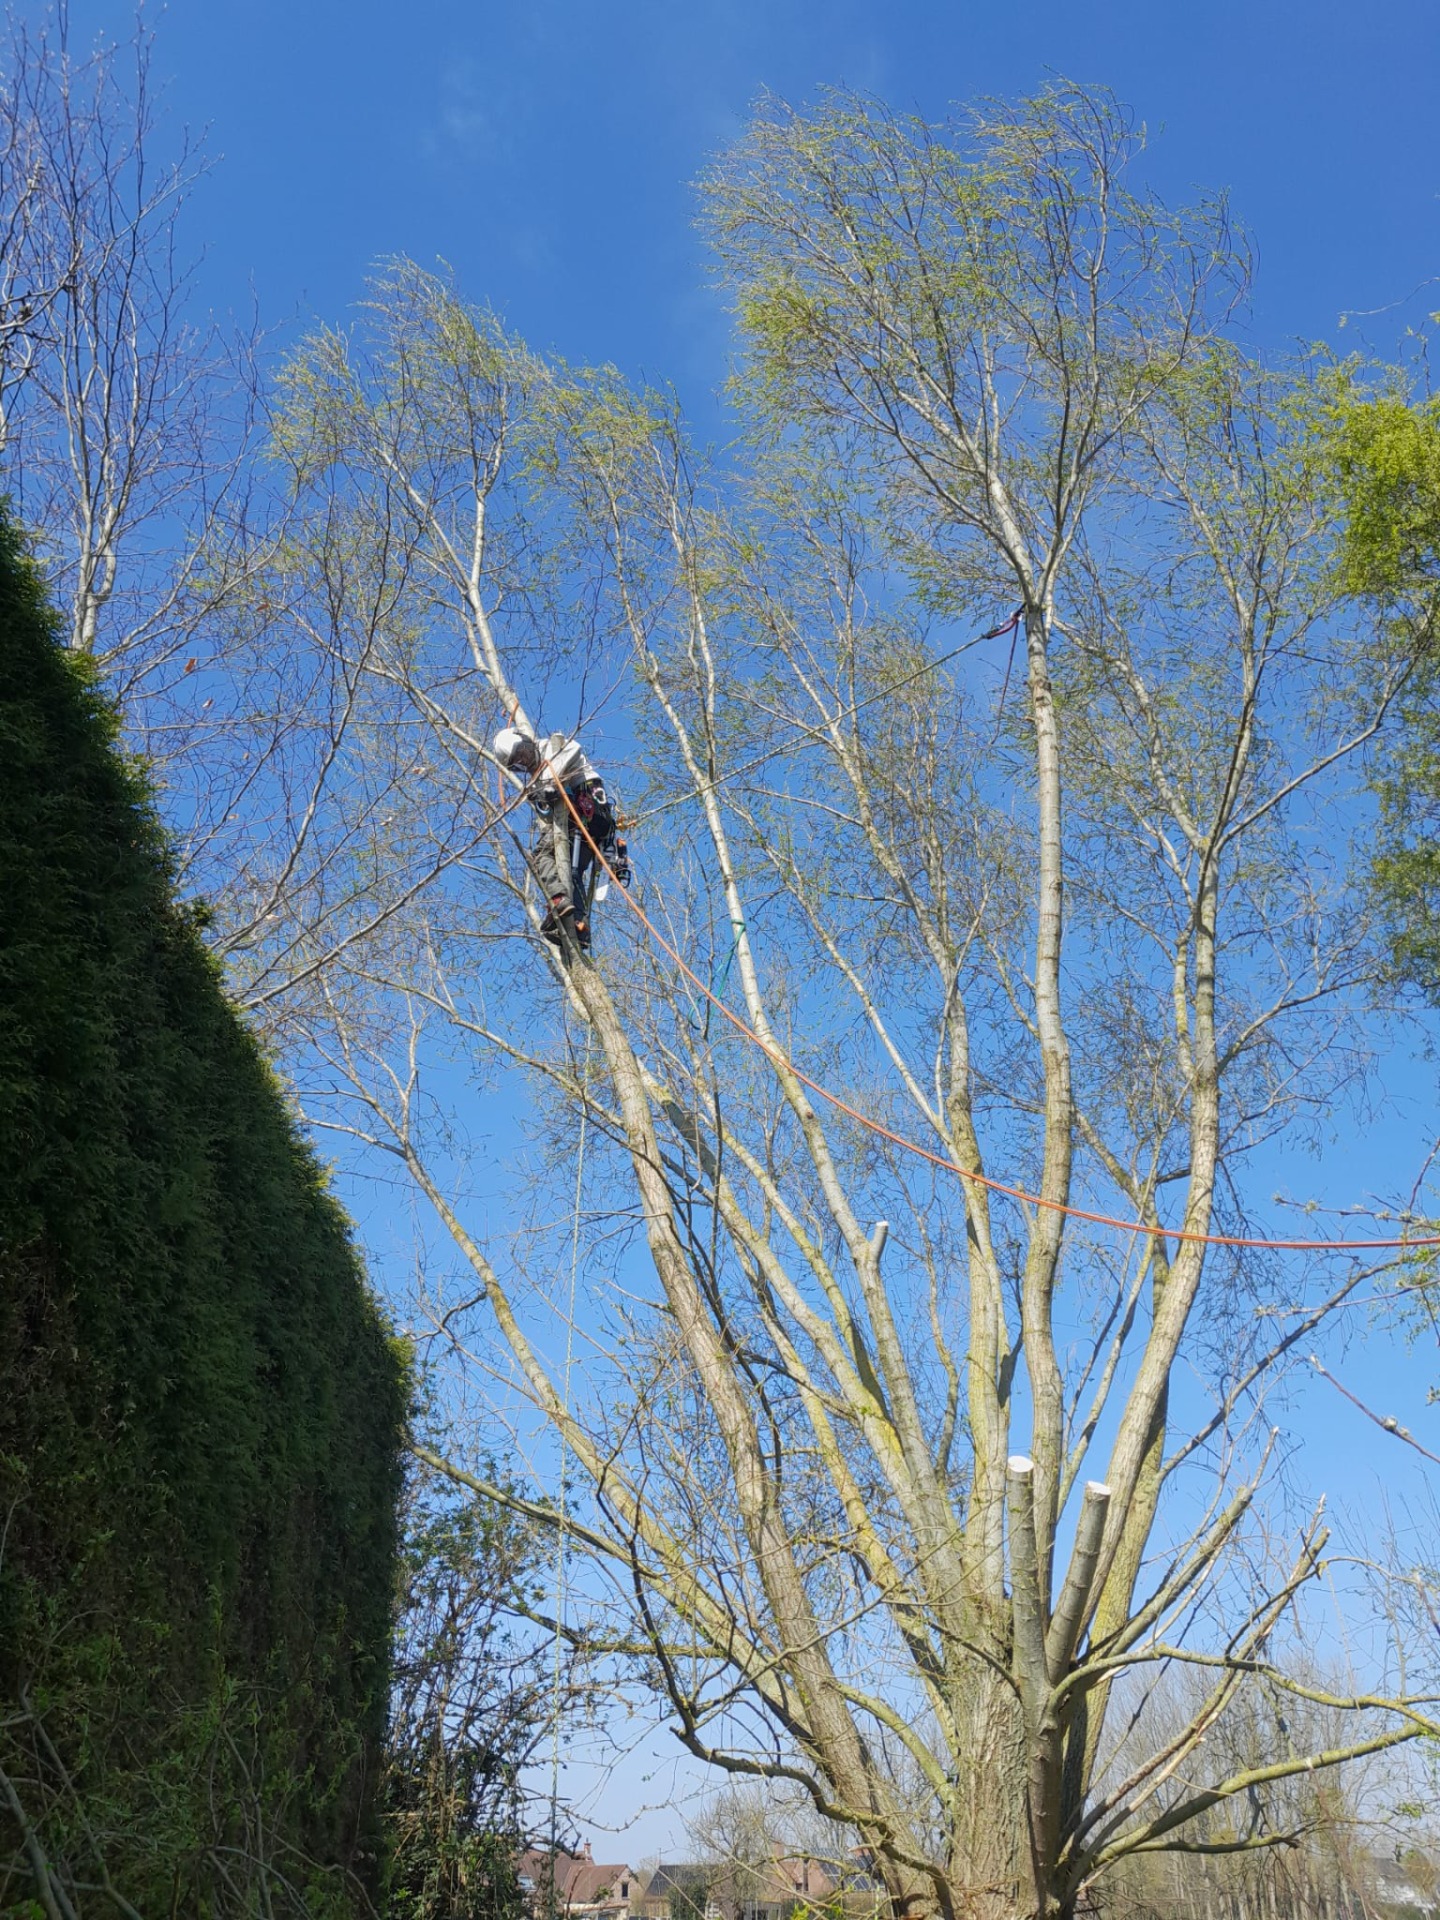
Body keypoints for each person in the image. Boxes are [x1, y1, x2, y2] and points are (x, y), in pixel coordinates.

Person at [493, 725, 629, 950]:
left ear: (526, 740)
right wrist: (540, 796)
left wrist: (549, 785)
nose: (525, 761)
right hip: (579, 829)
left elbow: (573, 749)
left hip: (588, 806)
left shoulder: (552, 747)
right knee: (572, 872)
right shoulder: (536, 780)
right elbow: (548, 813)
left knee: (541, 855)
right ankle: (579, 925)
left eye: (523, 753)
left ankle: (559, 897)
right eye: (518, 764)